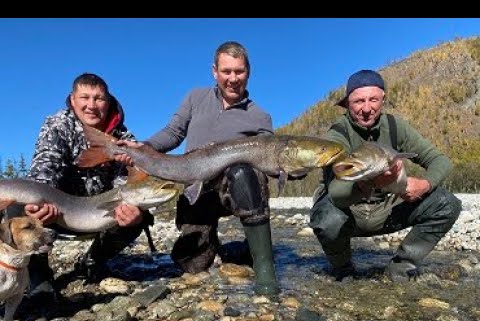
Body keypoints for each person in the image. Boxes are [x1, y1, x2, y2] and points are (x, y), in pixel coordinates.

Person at [117, 41, 279, 296]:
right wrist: (143, 147)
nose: (233, 78)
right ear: (215, 71)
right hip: (197, 189)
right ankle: (221, 247)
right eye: (227, 72)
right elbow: (173, 133)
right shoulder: (195, 97)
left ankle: (264, 266)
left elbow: (274, 161)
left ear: (248, 72)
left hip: (237, 188)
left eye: (239, 71)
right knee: (191, 263)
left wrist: (295, 168)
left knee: (243, 173)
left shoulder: (260, 116)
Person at [2, 73, 153, 297]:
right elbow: (46, 165)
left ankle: (93, 261)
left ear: (108, 101)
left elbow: (126, 184)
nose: (91, 105)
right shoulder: (58, 125)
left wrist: (133, 211)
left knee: (139, 213)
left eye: (99, 98)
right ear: (73, 100)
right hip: (55, 211)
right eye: (85, 97)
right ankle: (38, 275)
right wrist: (40, 205)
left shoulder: (123, 138)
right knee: (19, 205)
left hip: (98, 213)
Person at [309, 69, 462, 282]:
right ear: (347, 104)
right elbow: (335, 193)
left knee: (447, 204)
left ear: (383, 99)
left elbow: (440, 161)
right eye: (358, 101)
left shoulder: (396, 126)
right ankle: (343, 269)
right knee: (326, 218)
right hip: (350, 214)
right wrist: (369, 183)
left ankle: (402, 266)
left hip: (387, 210)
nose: (367, 109)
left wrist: (425, 184)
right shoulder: (337, 135)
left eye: (373, 100)